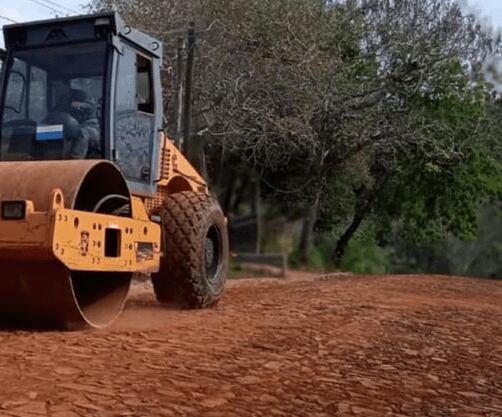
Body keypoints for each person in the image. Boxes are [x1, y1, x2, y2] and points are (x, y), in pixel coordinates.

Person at [65, 88, 101, 159]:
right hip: (72, 128)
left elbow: (90, 106)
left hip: (91, 129)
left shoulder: (88, 106)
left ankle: (75, 160)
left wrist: (77, 104)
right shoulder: (62, 107)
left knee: (82, 134)